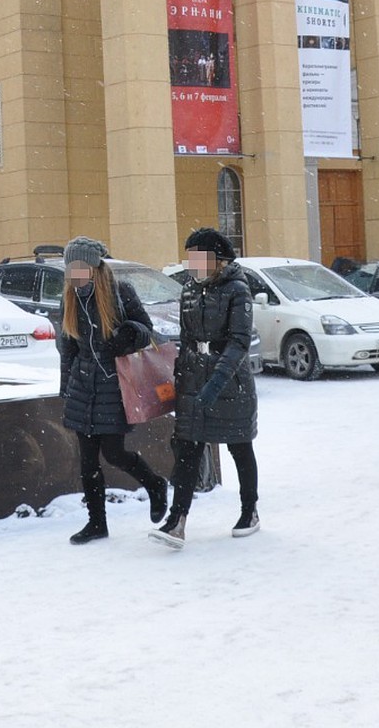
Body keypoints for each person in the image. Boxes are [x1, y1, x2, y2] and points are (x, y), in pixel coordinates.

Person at [150, 227, 258, 549]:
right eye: (190, 257)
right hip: (194, 378)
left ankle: (249, 511)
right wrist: (179, 378)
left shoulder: (237, 289)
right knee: (188, 449)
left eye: (199, 257)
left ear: (218, 260)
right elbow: (186, 338)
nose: (192, 264)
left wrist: (216, 383)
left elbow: (239, 343)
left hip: (231, 381)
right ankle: (176, 522)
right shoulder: (189, 290)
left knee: (239, 446)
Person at [58, 235, 169, 544]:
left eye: (79, 266)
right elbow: (67, 348)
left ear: (94, 267)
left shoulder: (120, 293)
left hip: (114, 386)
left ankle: (155, 484)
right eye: (71, 268)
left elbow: (146, 330)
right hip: (82, 387)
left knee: (115, 453)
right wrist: (66, 389)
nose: (74, 274)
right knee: (88, 461)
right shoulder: (69, 298)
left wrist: (127, 335)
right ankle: (97, 523)